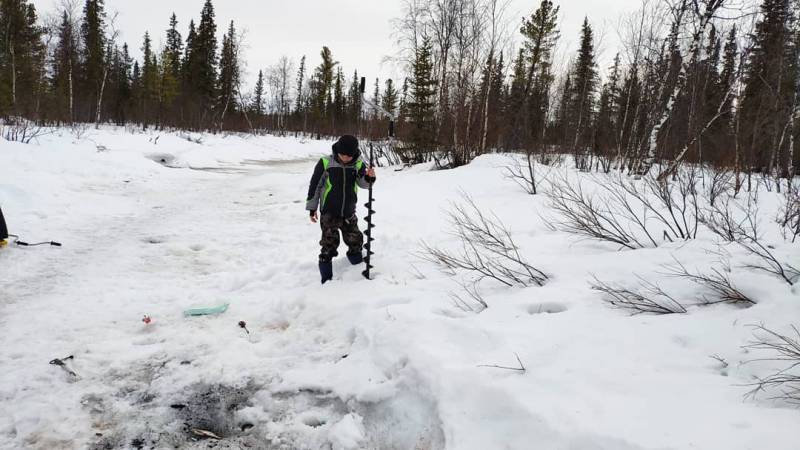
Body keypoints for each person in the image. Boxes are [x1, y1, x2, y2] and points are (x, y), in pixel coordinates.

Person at [306, 135, 376, 284]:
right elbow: (315, 186)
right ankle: (326, 279)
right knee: (329, 244)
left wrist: (369, 178)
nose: (345, 158)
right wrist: (312, 208)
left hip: (349, 212)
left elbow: (363, 184)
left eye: (349, 156)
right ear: (337, 150)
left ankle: (357, 268)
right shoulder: (326, 163)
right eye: (342, 154)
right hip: (329, 213)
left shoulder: (358, 164)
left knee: (355, 240)